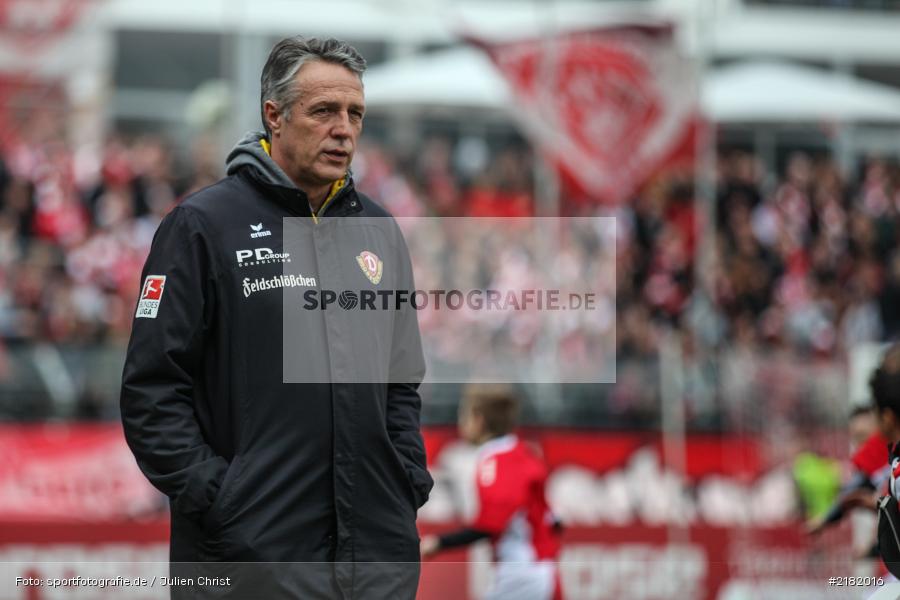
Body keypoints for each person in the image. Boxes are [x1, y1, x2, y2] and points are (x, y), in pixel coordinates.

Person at [120, 36, 432, 599]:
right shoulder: (201, 226)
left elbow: (400, 382)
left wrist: (405, 478)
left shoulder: (380, 233)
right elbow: (150, 391)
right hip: (247, 561)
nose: (344, 129)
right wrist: (223, 499)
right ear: (275, 116)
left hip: (374, 560)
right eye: (324, 112)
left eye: (355, 113)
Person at [420, 385, 563, 600]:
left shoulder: (497, 460)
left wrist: (440, 543)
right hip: (538, 571)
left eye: (464, 415)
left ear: (479, 420)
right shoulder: (523, 452)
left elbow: (492, 523)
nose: (461, 423)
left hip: (521, 574)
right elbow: (554, 522)